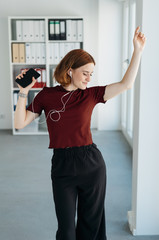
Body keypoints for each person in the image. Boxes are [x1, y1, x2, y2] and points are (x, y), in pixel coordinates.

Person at [14, 26, 146, 240]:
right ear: (70, 70)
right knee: (66, 230)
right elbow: (20, 123)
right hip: (62, 164)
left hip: (91, 163)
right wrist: (23, 92)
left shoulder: (91, 95)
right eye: (85, 73)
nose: (88, 79)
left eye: (91, 74)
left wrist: (137, 51)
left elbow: (126, 84)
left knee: (90, 225)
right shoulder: (46, 96)